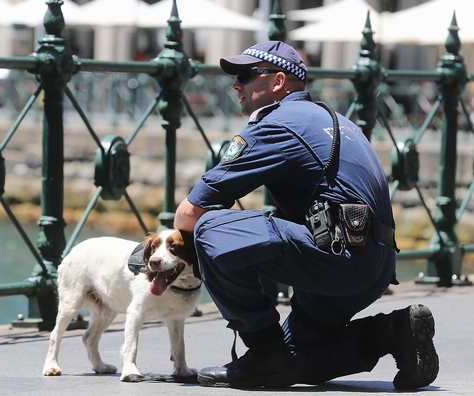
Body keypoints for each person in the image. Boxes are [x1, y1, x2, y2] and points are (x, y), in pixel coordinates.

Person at [173, 41, 438, 389]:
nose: (236, 84)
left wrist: (165, 249)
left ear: (278, 81)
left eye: (247, 75)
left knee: (210, 230)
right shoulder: (336, 119)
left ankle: (263, 356)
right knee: (295, 362)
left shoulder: (275, 124)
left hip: (339, 260)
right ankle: (393, 332)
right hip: (377, 263)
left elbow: (190, 214)